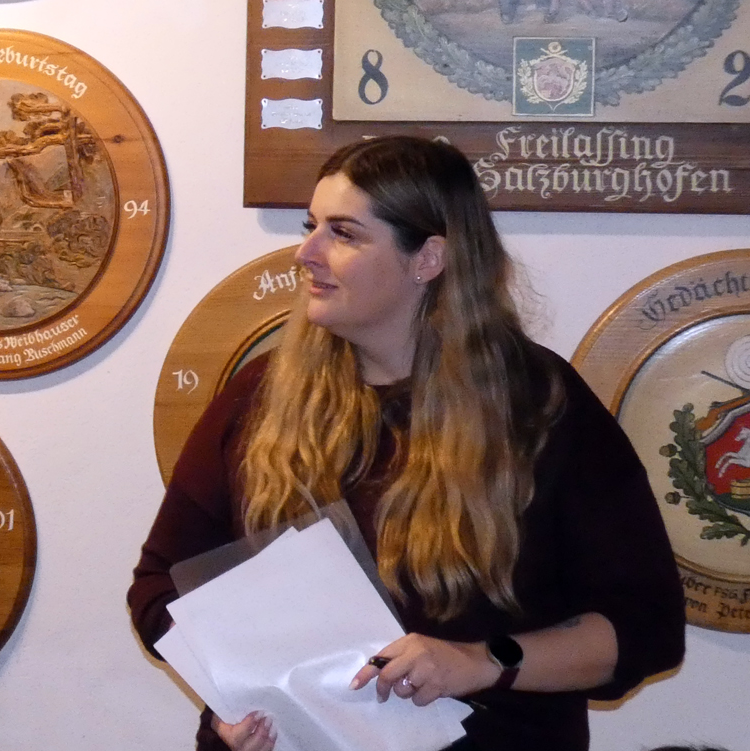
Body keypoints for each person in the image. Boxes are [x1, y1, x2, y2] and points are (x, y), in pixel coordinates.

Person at [127, 135, 684, 750]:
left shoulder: (540, 405)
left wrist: (480, 661)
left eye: (343, 234)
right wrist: (235, 701)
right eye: (311, 227)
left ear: (428, 258)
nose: (305, 253)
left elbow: (643, 629)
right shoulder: (261, 394)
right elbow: (159, 591)